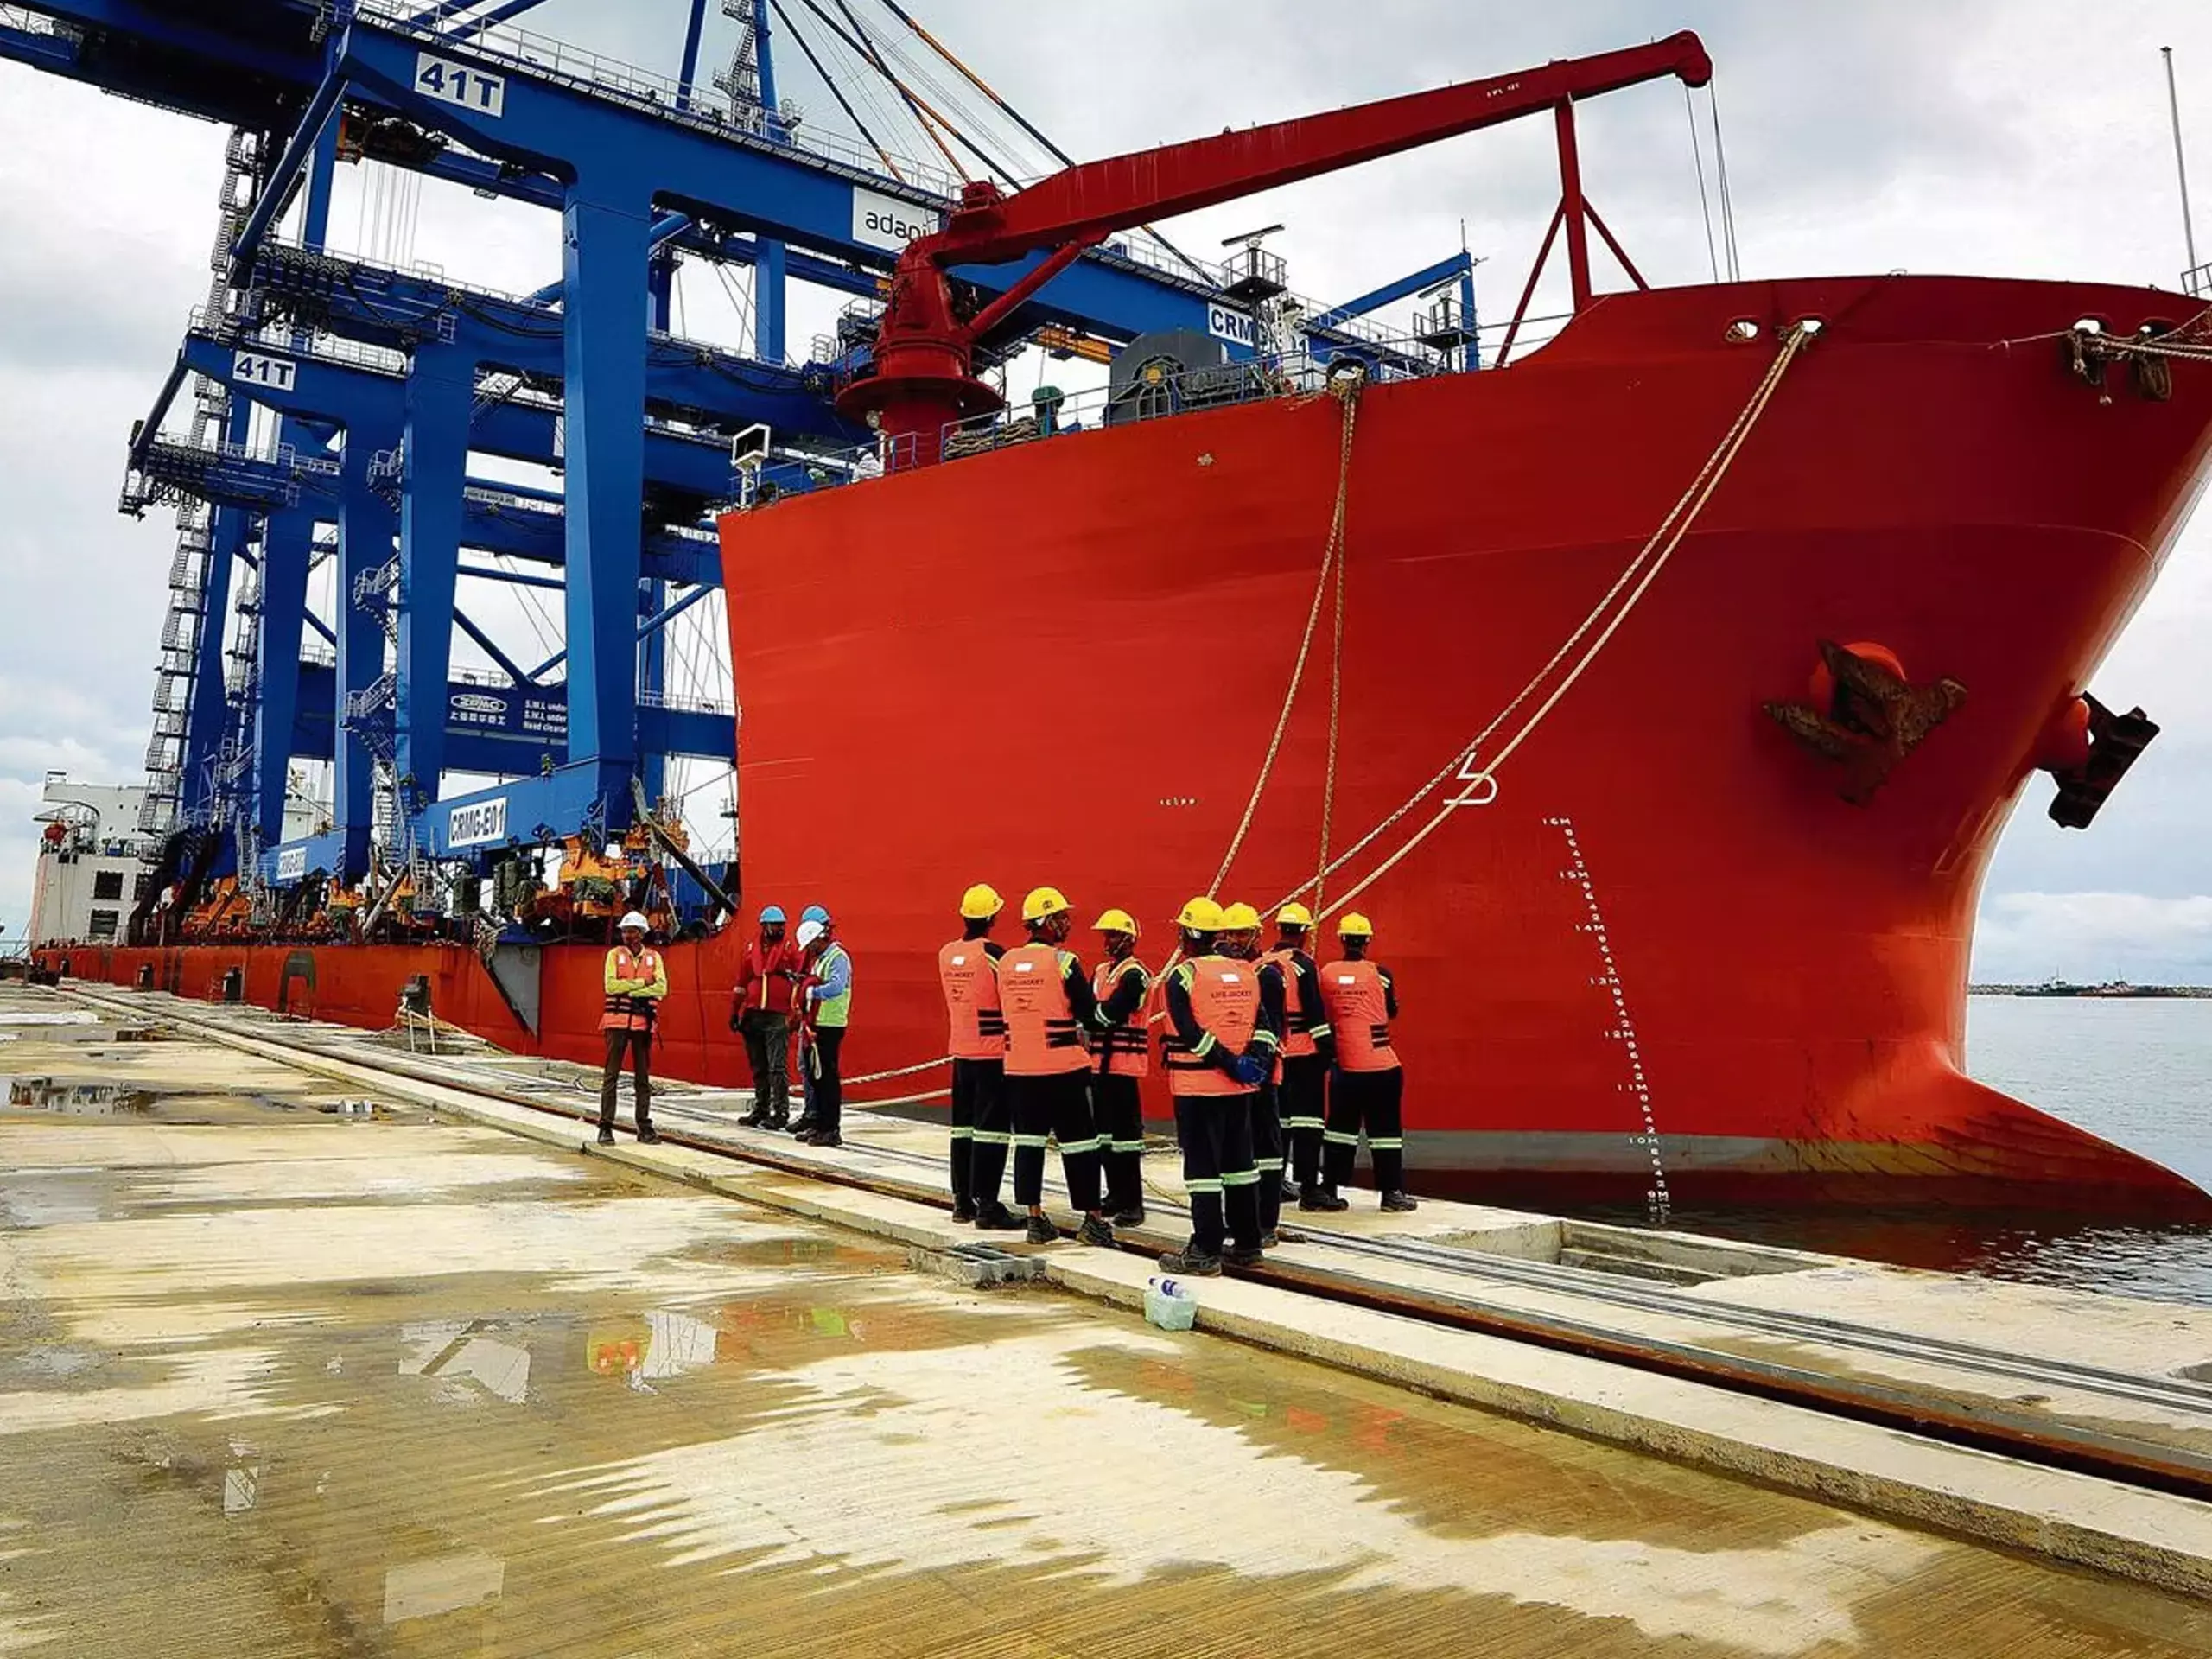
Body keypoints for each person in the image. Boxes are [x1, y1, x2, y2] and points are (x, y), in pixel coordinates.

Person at [1157, 897, 1277, 1274]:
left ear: (1189, 934)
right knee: (1240, 1166)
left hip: (1198, 1088)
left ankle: (1205, 1251)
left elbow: (1189, 1032)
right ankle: (1248, 1244)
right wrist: (1253, 1063)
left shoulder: (1183, 976)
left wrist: (1228, 1062)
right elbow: (1265, 1025)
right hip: (1239, 1091)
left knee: (1203, 1171)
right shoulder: (1246, 973)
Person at [997, 887, 1115, 1247]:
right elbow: (1089, 1014)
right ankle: (1092, 1221)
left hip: (1019, 1069)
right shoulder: (1065, 962)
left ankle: (1035, 1219)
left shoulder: (1006, 963)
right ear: (1046, 922)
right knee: (1080, 1144)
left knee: (1029, 1143)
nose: (1066, 923)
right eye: (1061, 917)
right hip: (1064, 1069)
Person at [1319, 912, 1418, 1211]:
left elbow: (1322, 1010)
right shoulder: (1382, 974)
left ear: (1342, 939)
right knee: (1385, 1133)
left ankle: (1329, 1189)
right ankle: (1391, 1194)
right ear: (1367, 942)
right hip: (1381, 1068)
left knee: (1339, 1130)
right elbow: (1390, 1011)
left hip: (1345, 1068)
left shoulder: (1326, 974)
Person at [940, 883, 1021, 1228]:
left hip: (961, 1053)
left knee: (962, 1128)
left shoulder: (946, 953)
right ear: (992, 917)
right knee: (992, 1130)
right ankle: (987, 1204)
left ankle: (962, 1201)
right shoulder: (994, 954)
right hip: (991, 1055)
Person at [1261, 902, 1340, 1212]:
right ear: (1305, 932)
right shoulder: (1304, 965)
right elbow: (1315, 1015)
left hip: (1276, 1054)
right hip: (1305, 1054)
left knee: (1278, 1121)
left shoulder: (1263, 962)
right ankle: (1309, 1189)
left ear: (1279, 928)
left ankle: (1276, 1181)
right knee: (1308, 1122)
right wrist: (1329, 1052)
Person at [1220, 901, 1290, 1246]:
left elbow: (1271, 1029)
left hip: (1261, 1076)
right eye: (1231, 934)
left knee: (1267, 1150)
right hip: (1236, 1076)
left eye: (1242, 933)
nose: (1236, 940)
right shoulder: (1227, 974)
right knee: (1240, 1152)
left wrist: (1256, 1068)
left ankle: (1266, 1223)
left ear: (1256, 935)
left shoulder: (1267, 975)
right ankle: (1240, 1220)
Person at [1090, 907, 1152, 1226]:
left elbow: (1111, 1012)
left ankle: (1133, 1203)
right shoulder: (1101, 971)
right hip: (1099, 1065)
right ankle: (1115, 1194)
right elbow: (1090, 1008)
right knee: (1104, 1135)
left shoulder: (1136, 975)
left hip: (1124, 1066)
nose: (1108, 941)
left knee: (1126, 1137)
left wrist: (1090, 1018)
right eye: (1106, 935)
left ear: (1128, 938)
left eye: (1113, 935)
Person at [598, 910, 666, 1146]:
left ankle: (644, 1126)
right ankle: (605, 1126)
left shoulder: (654, 957)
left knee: (643, 1077)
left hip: (642, 1024)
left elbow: (661, 989)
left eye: (632, 931)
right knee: (611, 1075)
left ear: (642, 933)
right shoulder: (614, 955)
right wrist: (642, 983)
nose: (628, 935)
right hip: (616, 1022)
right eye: (625, 931)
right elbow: (611, 986)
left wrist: (629, 989)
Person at [732, 905, 800, 1130]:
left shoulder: (790, 949)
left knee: (777, 1067)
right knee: (759, 1066)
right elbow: (741, 982)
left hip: (777, 1016)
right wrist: (735, 1011)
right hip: (753, 1015)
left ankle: (780, 1112)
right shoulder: (751, 949)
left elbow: (800, 979)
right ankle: (760, 1109)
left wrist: (795, 1011)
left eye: (781, 925)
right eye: (775, 925)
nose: (780, 929)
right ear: (764, 926)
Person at [792, 909, 852, 1147]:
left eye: (810, 945)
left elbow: (837, 987)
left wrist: (811, 991)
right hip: (816, 1024)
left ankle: (831, 1129)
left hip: (830, 1025)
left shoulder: (838, 958)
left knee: (827, 1078)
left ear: (818, 939)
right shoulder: (821, 959)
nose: (809, 950)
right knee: (814, 1076)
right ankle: (818, 1125)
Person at [788, 905, 836, 1135]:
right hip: (811, 1018)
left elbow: (834, 987)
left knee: (817, 1071)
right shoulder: (817, 956)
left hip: (822, 1021)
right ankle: (813, 1115)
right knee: (807, 1067)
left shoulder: (831, 956)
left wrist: (809, 991)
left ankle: (818, 1119)